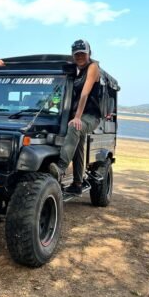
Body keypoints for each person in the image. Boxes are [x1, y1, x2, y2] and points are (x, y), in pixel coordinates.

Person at [49, 39, 101, 195]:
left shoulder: (93, 67)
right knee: (77, 146)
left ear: (89, 53)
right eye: (76, 54)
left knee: (74, 127)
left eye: (82, 54)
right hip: (78, 115)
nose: (79, 57)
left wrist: (77, 117)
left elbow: (85, 93)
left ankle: (60, 168)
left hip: (90, 116)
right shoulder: (75, 71)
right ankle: (77, 183)